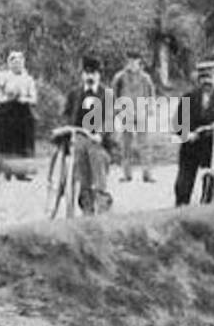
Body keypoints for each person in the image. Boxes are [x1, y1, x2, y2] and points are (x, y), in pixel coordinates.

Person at [175, 61, 214, 206]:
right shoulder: (188, 98)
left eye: (210, 78)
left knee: (210, 183)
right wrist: (187, 134)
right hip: (191, 147)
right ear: (198, 81)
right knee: (183, 185)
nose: (207, 82)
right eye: (203, 78)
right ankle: (180, 210)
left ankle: (206, 209)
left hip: (213, 146)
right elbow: (179, 123)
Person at [63, 55, 115, 214]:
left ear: (99, 75)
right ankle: (86, 203)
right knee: (80, 162)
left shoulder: (106, 94)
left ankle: (102, 202)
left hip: (99, 141)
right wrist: (65, 131)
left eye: (93, 73)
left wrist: (101, 134)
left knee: (97, 158)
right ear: (82, 75)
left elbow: (110, 119)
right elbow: (66, 116)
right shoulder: (75, 94)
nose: (90, 76)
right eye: (87, 73)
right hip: (79, 137)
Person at [0, 50, 38, 173]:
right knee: (4, 133)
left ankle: (23, 166)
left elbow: (34, 98)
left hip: (23, 111)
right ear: (9, 64)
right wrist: (4, 98)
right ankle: (2, 164)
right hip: (7, 110)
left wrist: (24, 99)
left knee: (26, 130)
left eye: (19, 62)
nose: (17, 65)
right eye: (14, 62)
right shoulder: (3, 76)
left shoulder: (28, 79)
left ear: (23, 63)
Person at [110, 51, 156, 183]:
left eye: (135, 61)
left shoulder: (145, 77)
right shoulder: (119, 77)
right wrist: (116, 110)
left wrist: (151, 107)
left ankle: (147, 174)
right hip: (126, 112)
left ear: (139, 62)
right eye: (129, 61)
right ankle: (126, 174)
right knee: (126, 145)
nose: (132, 64)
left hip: (141, 111)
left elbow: (151, 93)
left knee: (144, 144)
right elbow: (113, 94)